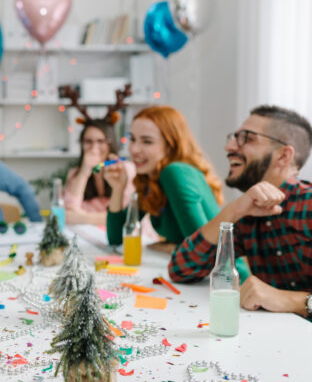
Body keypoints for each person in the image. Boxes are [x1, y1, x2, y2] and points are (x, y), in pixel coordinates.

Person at [169, 105, 312, 318]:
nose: (229, 147)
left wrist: (293, 300)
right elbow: (181, 270)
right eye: (234, 137)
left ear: (283, 156)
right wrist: (233, 210)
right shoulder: (248, 213)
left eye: (247, 138)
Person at [104, 106, 224, 253]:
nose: (134, 149)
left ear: (170, 146)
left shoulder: (175, 172)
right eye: (132, 139)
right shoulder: (151, 178)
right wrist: (117, 188)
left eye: (147, 141)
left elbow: (203, 250)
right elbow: (116, 238)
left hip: (225, 275)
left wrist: (168, 247)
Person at [63, 118, 136, 225]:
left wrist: (82, 217)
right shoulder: (75, 174)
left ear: (110, 144)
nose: (94, 148)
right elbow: (67, 214)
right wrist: (84, 172)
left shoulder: (125, 170)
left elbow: (126, 217)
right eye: (88, 141)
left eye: (101, 141)